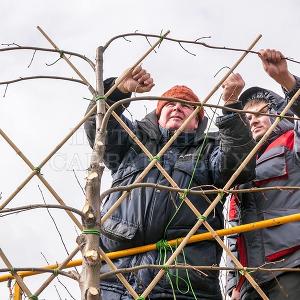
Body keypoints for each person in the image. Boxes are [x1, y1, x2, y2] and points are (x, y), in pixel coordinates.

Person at [84, 66, 256, 299]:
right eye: (169, 104)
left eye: (186, 106)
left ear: (197, 122)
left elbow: (238, 165)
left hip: (184, 282)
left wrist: (231, 106)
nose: (177, 107)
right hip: (116, 278)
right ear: (158, 115)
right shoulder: (133, 143)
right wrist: (119, 90)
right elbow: (99, 126)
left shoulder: (209, 150)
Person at [226, 49, 300, 300]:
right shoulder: (242, 167)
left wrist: (286, 81)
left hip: (292, 265)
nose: (253, 121)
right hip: (252, 280)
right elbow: (234, 232)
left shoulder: (292, 142)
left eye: (260, 114)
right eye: (247, 119)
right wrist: (234, 285)